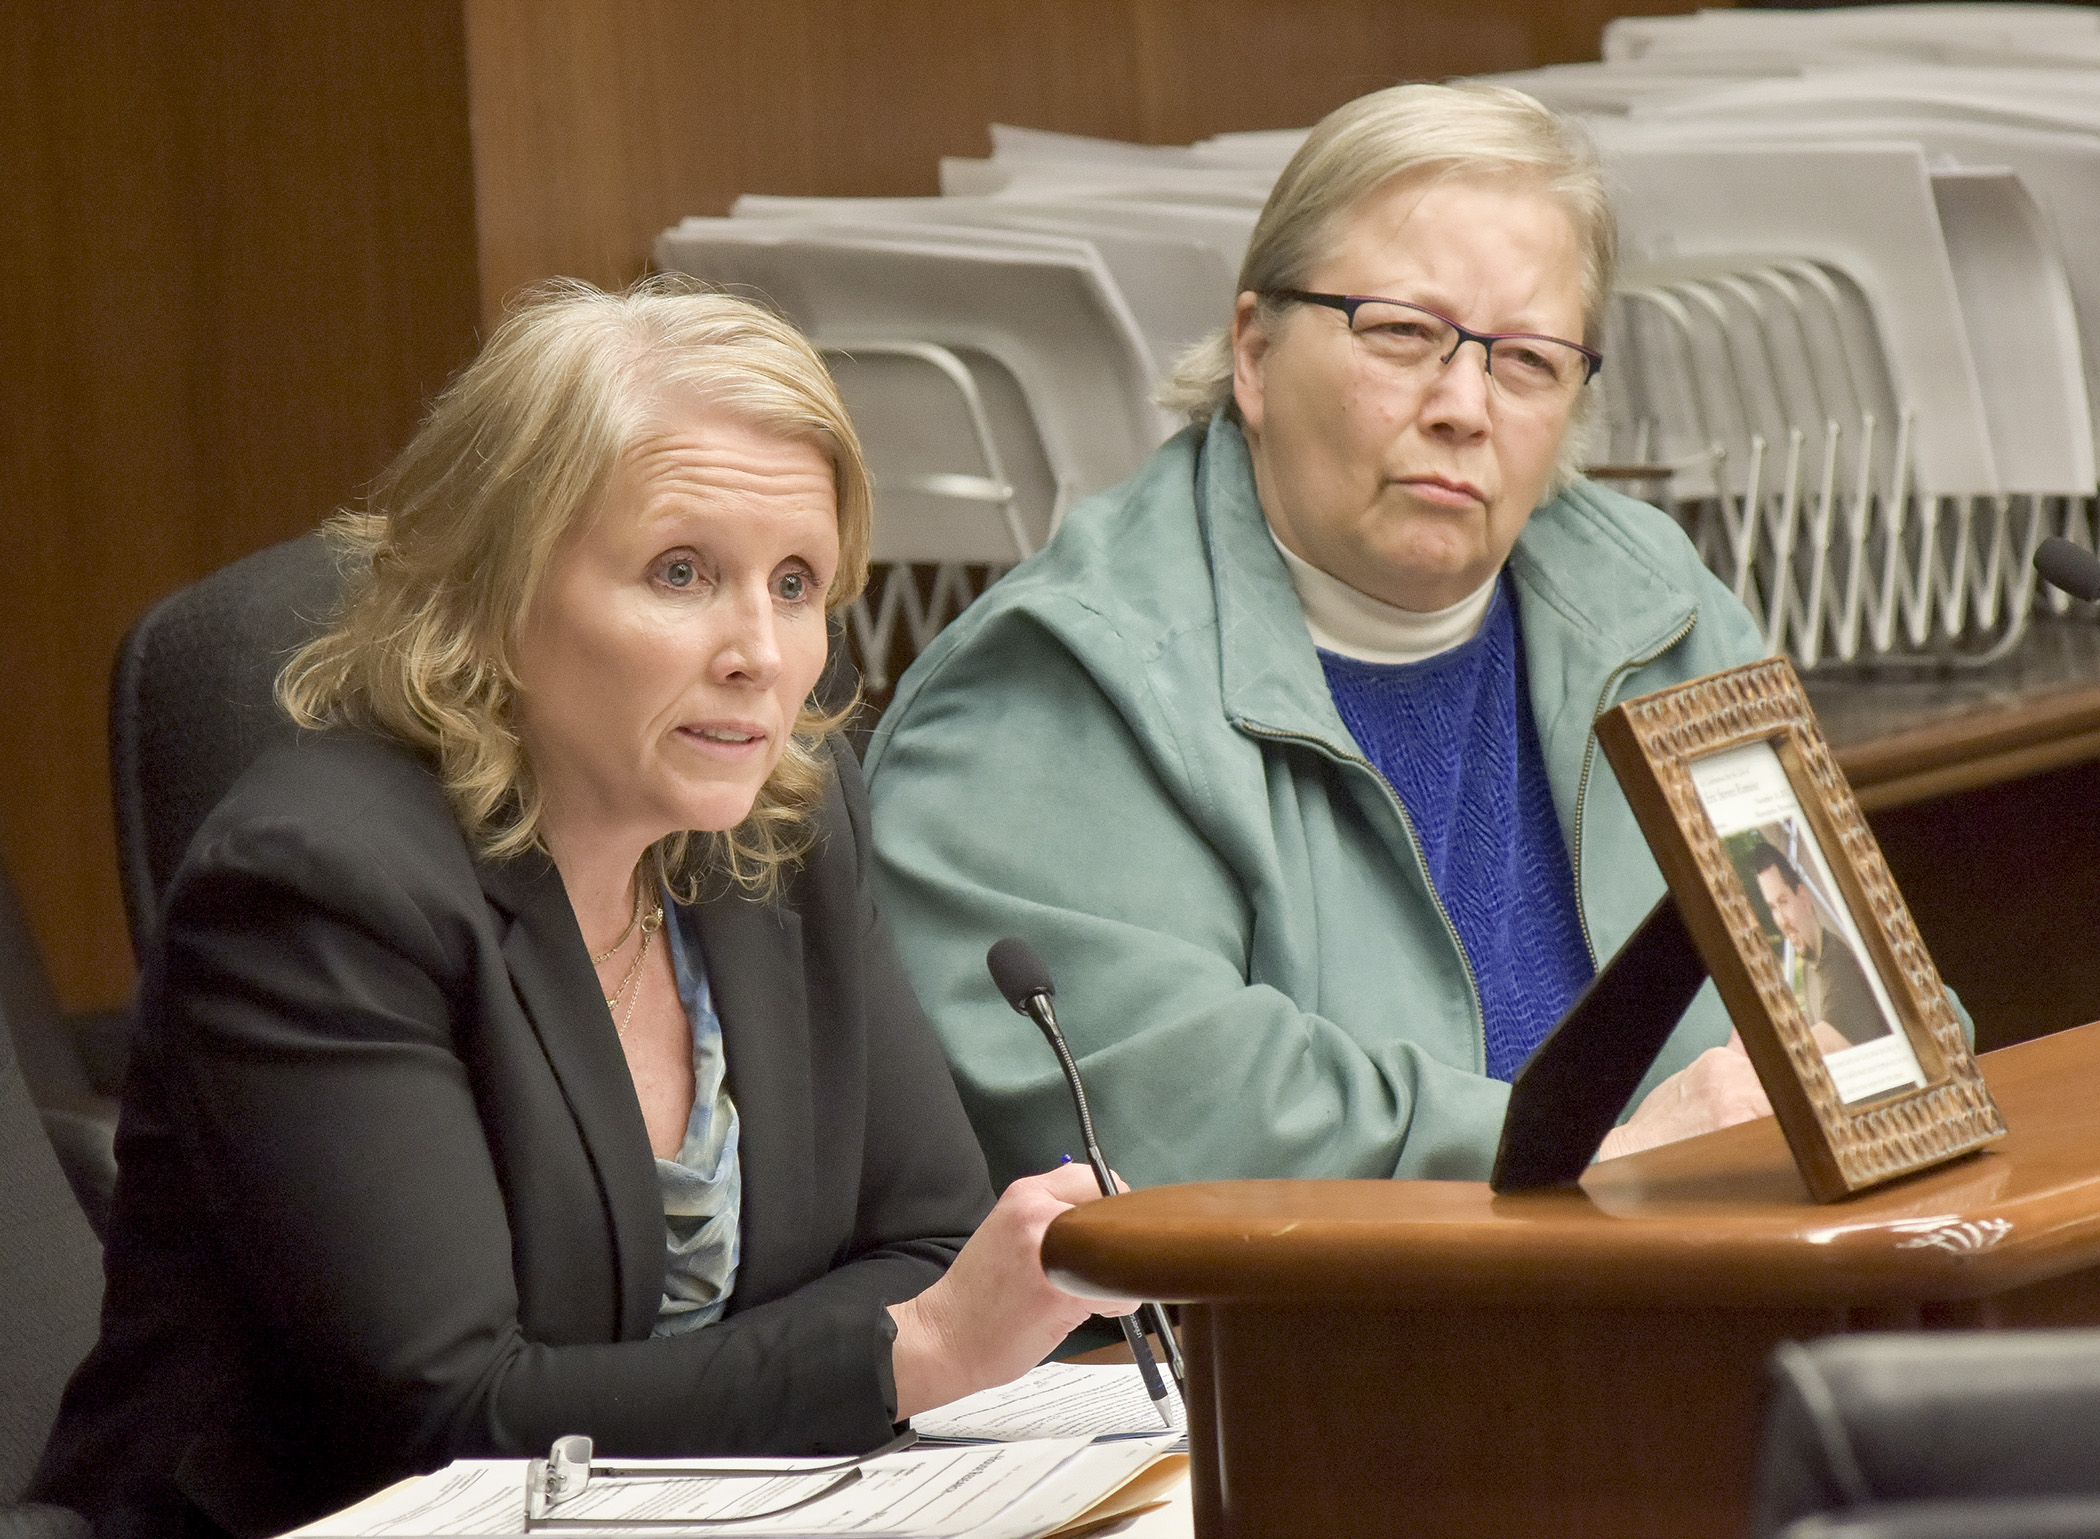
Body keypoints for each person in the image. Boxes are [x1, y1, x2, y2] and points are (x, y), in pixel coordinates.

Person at [32, 283, 1129, 1539]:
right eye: (682, 573)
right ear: (495, 592)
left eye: (794, 583)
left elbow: (926, 1244)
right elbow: (452, 1416)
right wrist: (903, 1355)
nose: (759, 653)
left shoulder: (777, 829)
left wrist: (883, 1338)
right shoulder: (315, 889)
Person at [864, 82, 1778, 1196]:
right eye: (1402, 335)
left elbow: (1850, 1013)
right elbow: (1169, 1130)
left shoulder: (1658, 606)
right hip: (1294, 1354)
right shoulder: (1057, 685)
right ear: (1252, 353)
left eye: (1529, 360)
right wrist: (1587, 1165)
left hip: (1727, 1299)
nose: (1464, 405)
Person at [1751, 842, 1889, 1047]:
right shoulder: (1812, 965)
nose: (1782, 921)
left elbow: (1815, 1051)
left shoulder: (1840, 967)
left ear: (1804, 898)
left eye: (1784, 902)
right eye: (1772, 907)